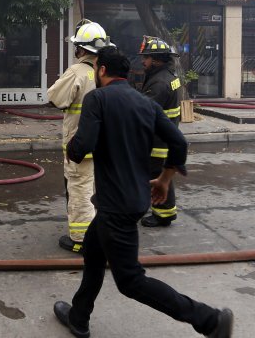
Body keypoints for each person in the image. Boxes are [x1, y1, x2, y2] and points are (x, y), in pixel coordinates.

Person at [53, 46, 233, 338]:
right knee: (94, 253)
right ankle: (79, 316)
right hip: (132, 201)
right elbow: (178, 143)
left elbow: (82, 144)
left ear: (101, 71)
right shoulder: (144, 103)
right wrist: (164, 179)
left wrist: (72, 152)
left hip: (116, 207)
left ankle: (209, 319)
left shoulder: (97, 98)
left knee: (131, 281)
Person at [46, 19, 113, 254]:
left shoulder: (78, 72)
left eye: (77, 46)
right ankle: (99, 231)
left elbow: (55, 97)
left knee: (79, 190)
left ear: (82, 49)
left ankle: (82, 239)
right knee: (96, 189)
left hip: (80, 144)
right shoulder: (107, 73)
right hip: (104, 144)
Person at [138, 35, 183, 228]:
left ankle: (163, 215)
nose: (143, 61)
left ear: (156, 59)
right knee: (160, 174)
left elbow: (145, 112)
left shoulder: (158, 83)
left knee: (156, 175)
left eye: (146, 58)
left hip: (158, 140)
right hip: (167, 134)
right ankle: (165, 210)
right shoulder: (170, 77)